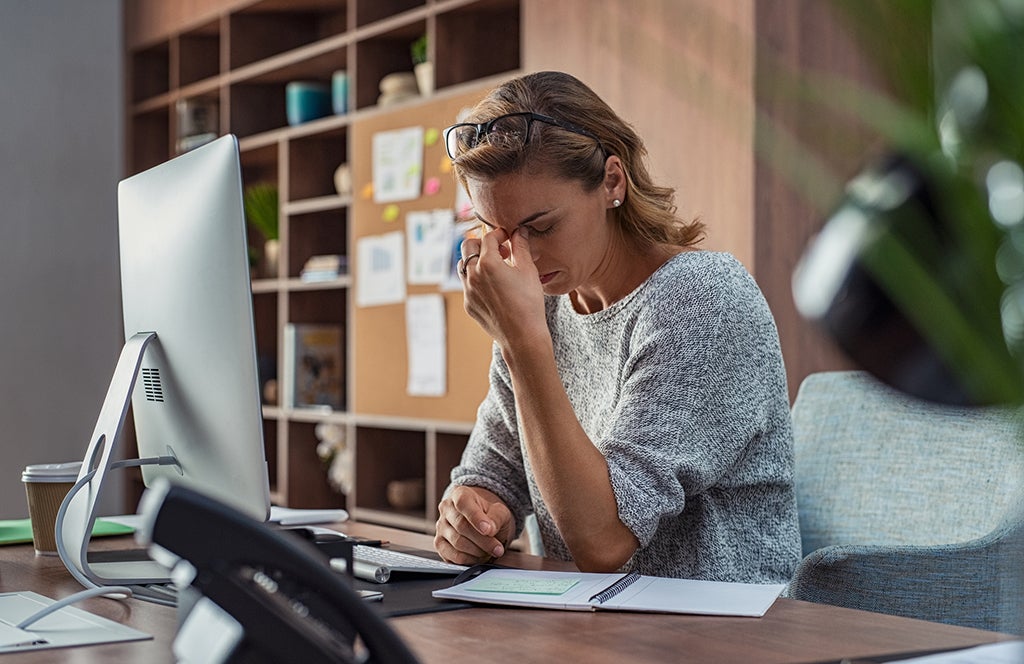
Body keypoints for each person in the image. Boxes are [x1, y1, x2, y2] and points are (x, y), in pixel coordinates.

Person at [434, 70, 800, 584]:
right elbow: (495, 472)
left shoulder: (702, 300)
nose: (522, 255)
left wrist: (522, 342)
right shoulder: (544, 307)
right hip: (592, 625)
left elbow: (604, 541)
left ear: (612, 181)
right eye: (499, 232)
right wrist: (472, 515)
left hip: (721, 632)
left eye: (541, 227)